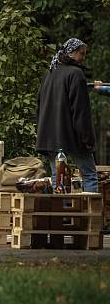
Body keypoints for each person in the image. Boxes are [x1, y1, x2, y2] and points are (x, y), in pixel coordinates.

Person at [36, 38, 99, 193]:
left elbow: (39, 105)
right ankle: (91, 216)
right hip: (71, 137)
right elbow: (80, 111)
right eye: (81, 53)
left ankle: (60, 216)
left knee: (57, 179)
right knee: (89, 175)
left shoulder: (50, 73)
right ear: (72, 53)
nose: (83, 57)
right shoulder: (76, 74)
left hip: (50, 138)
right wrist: (87, 139)